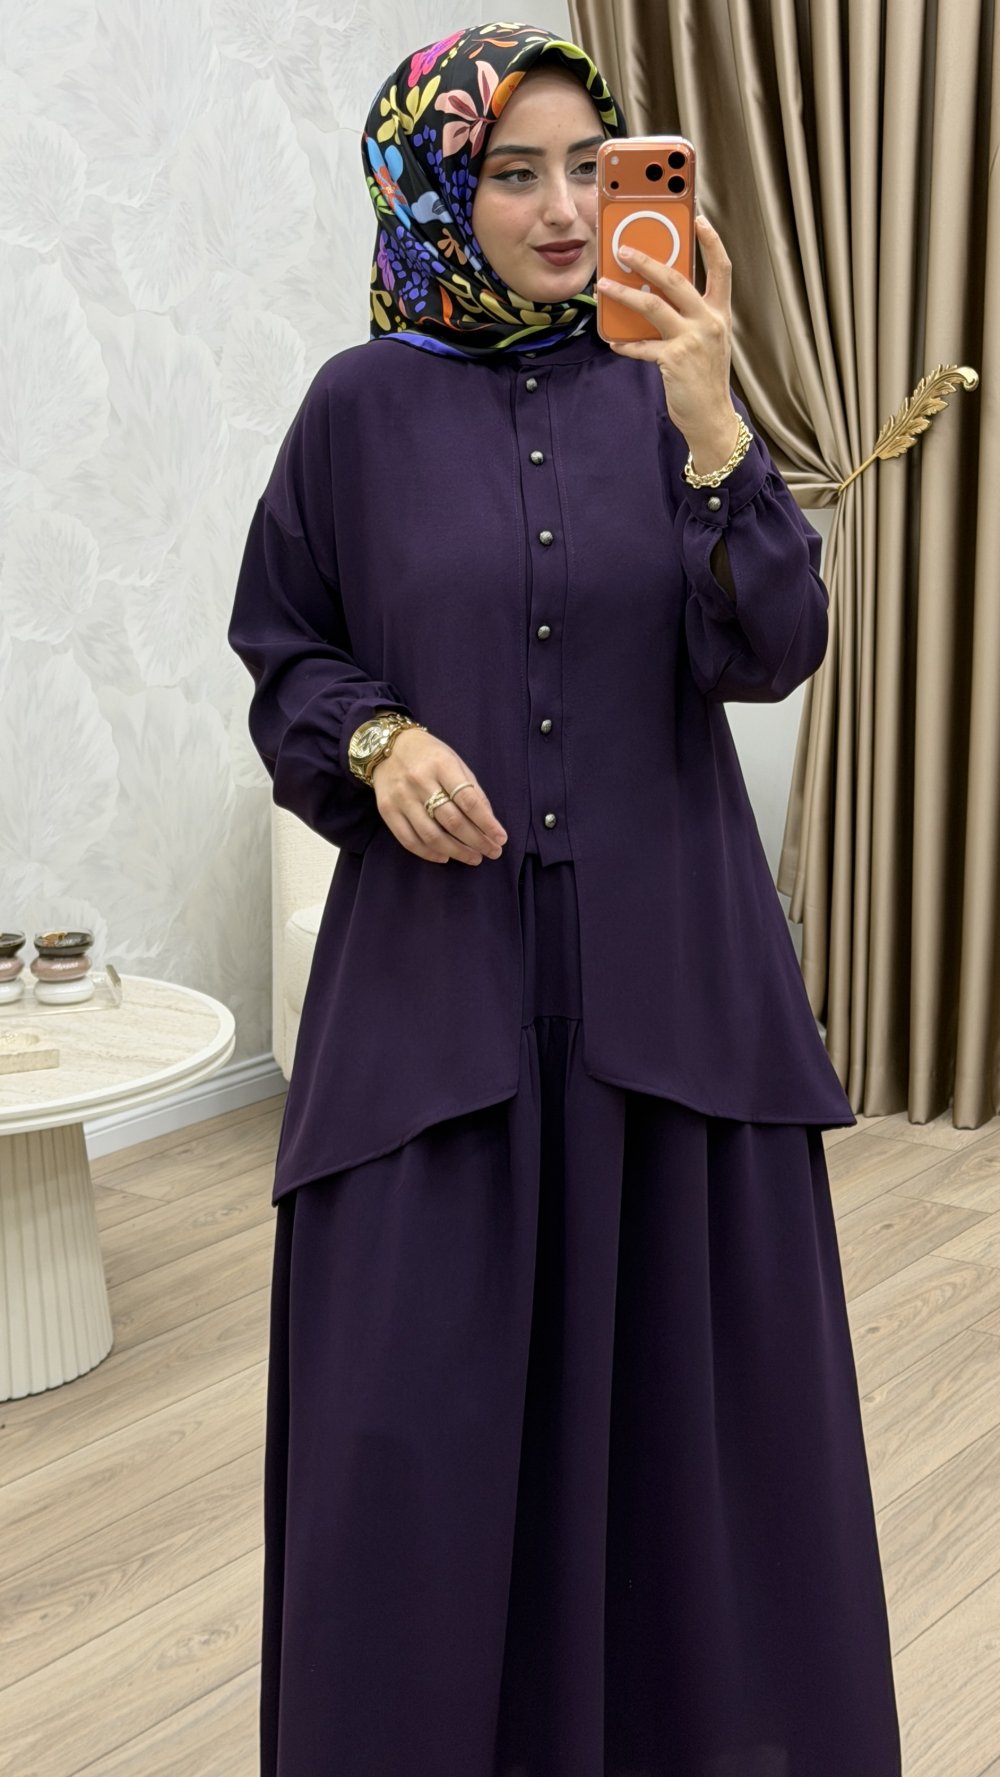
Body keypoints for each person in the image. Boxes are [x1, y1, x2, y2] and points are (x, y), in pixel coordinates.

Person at [227, 21, 902, 1777]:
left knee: (699, 1463)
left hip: (671, 1003)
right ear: (433, 191)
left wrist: (712, 425)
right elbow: (286, 652)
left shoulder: (668, 385)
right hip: (433, 1010)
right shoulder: (355, 411)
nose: (561, 209)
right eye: (512, 173)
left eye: (590, 169)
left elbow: (774, 646)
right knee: (407, 1441)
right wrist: (374, 739)